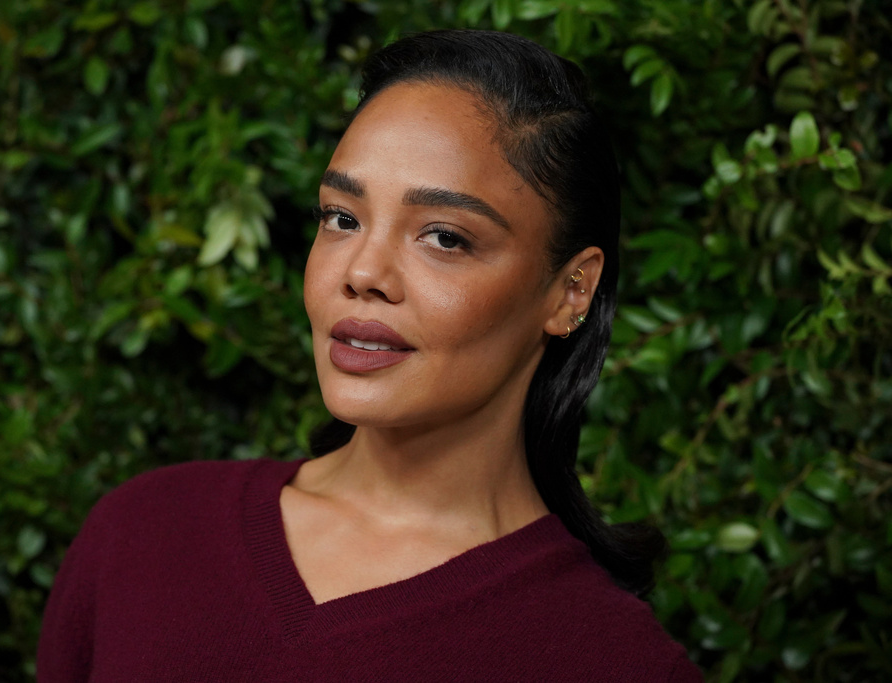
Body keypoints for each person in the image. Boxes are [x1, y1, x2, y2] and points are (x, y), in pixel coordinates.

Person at [38, 29, 702, 682]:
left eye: (443, 236)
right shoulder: (143, 535)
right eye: (343, 218)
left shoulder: (614, 659)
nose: (362, 272)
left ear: (569, 290)